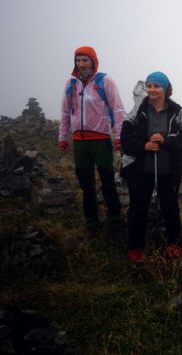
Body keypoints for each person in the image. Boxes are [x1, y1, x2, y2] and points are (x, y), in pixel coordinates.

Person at [120, 72, 182, 262]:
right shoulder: (138, 110)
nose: (151, 90)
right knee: (138, 208)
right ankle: (135, 248)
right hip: (141, 169)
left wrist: (165, 140)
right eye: (149, 86)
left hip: (168, 170)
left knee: (170, 208)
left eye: (156, 86)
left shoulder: (176, 111)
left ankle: (174, 244)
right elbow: (125, 139)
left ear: (165, 89)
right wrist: (144, 146)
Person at [58, 46, 126, 233]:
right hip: (79, 142)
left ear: (93, 61)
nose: (81, 64)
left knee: (107, 181)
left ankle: (114, 219)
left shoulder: (105, 81)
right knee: (86, 185)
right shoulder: (71, 83)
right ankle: (91, 221)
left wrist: (119, 136)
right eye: (78, 60)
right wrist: (63, 138)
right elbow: (65, 112)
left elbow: (118, 109)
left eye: (85, 60)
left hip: (101, 139)